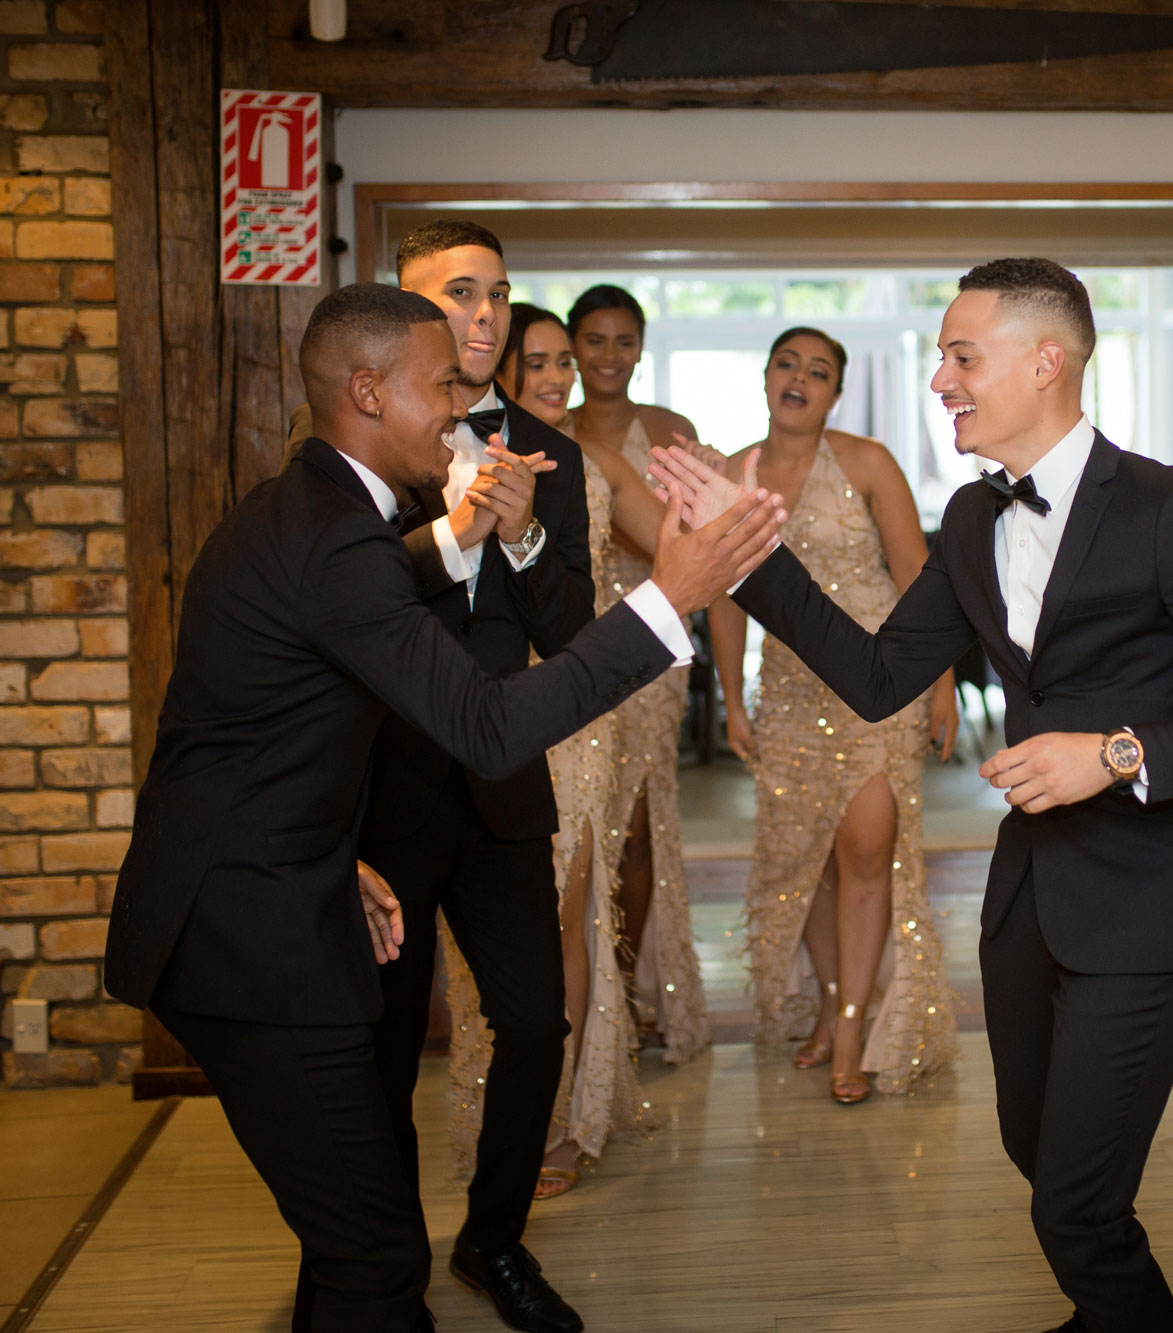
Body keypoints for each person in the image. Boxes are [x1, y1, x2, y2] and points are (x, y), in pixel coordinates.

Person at [656, 258, 1173, 1333]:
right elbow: (879, 675)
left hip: (1150, 898)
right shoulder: (970, 517)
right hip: (1030, 899)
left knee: (1072, 1200)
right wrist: (750, 549)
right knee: (1037, 1150)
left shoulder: (1169, 509)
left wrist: (1112, 753)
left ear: (1044, 360)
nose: (938, 380)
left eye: (961, 356)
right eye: (940, 358)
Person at [103, 283, 784, 1333]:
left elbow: (259, 737)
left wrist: (337, 858)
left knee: (356, 1252)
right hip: (245, 936)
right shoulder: (334, 538)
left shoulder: (317, 515)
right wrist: (668, 595)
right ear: (366, 391)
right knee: (376, 1262)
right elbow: (481, 721)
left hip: (279, 894)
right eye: (441, 387)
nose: (460, 410)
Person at [353, 220, 597, 1333]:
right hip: (385, 790)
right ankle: (382, 1255)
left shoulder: (553, 451)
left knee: (537, 1023)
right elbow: (343, 622)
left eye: (497, 293)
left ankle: (493, 1240)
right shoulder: (361, 452)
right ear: (407, 311)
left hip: (501, 783)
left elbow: (568, 627)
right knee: (384, 1041)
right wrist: (453, 528)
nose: (485, 314)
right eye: (458, 293)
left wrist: (528, 535)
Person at [439, 305, 708, 1203]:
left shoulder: (589, 463)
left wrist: (724, 510)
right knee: (500, 925)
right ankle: (500, 1104)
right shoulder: (451, 459)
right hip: (484, 710)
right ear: (500, 370)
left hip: (577, 712)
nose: (558, 377)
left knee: (572, 910)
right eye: (540, 362)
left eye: (565, 361)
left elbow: (678, 534)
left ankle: (564, 1115)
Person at [708, 326, 960, 1103]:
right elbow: (720, 590)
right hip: (788, 691)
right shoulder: (731, 474)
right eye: (788, 363)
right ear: (765, 374)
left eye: (819, 371)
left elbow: (921, 572)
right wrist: (731, 697)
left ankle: (854, 1023)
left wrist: (941, 681)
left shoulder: (868, 463)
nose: (800, 378)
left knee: (864, 846)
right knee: (804, 862)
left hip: (878, 681)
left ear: (835, 394)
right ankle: (826, 1002)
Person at [564, 284, 707, 1056]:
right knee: (583, 820)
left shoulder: (669, 431)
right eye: (594, 340)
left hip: (651, 637)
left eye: (623, 341)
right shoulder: (555, 424)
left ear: (641, 350)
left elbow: (695, 532)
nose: (607, 356)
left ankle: (620, 983)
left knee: (639, 821)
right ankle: (590, 992)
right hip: (575, 636)